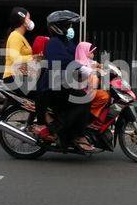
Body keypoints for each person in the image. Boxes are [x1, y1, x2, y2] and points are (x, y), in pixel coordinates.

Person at [36, 10, 94, 152]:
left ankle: (77, 133)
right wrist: (80, 68)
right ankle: (60, 128)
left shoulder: (66, 42)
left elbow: (79, 56)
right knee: (83, 100)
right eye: (67, 25)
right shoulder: (54, 43)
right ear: (58, 27)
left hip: (64, 84)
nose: (69, 29)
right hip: (51, 88)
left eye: (69, 25)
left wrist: (94, 65)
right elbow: (63, 60)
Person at [3, 7, 37, 89]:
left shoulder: (20, 36)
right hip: (13, 77)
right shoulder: (15, 36)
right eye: (28, 18)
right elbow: (15, 59)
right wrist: (32, 58)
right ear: (23, 20)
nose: (30, 20)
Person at [75, 41, 110, 119]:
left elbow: (97, 64)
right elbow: (90, 71)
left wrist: (109, 67)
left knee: (105, 94)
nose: (93, 54)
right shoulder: (79, 64)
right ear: (84, 51)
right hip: (83, 92)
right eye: (91, 52)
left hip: (88, 89)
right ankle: (90, 116)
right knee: (104, 96)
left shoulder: (87, 61)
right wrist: (99, 70)